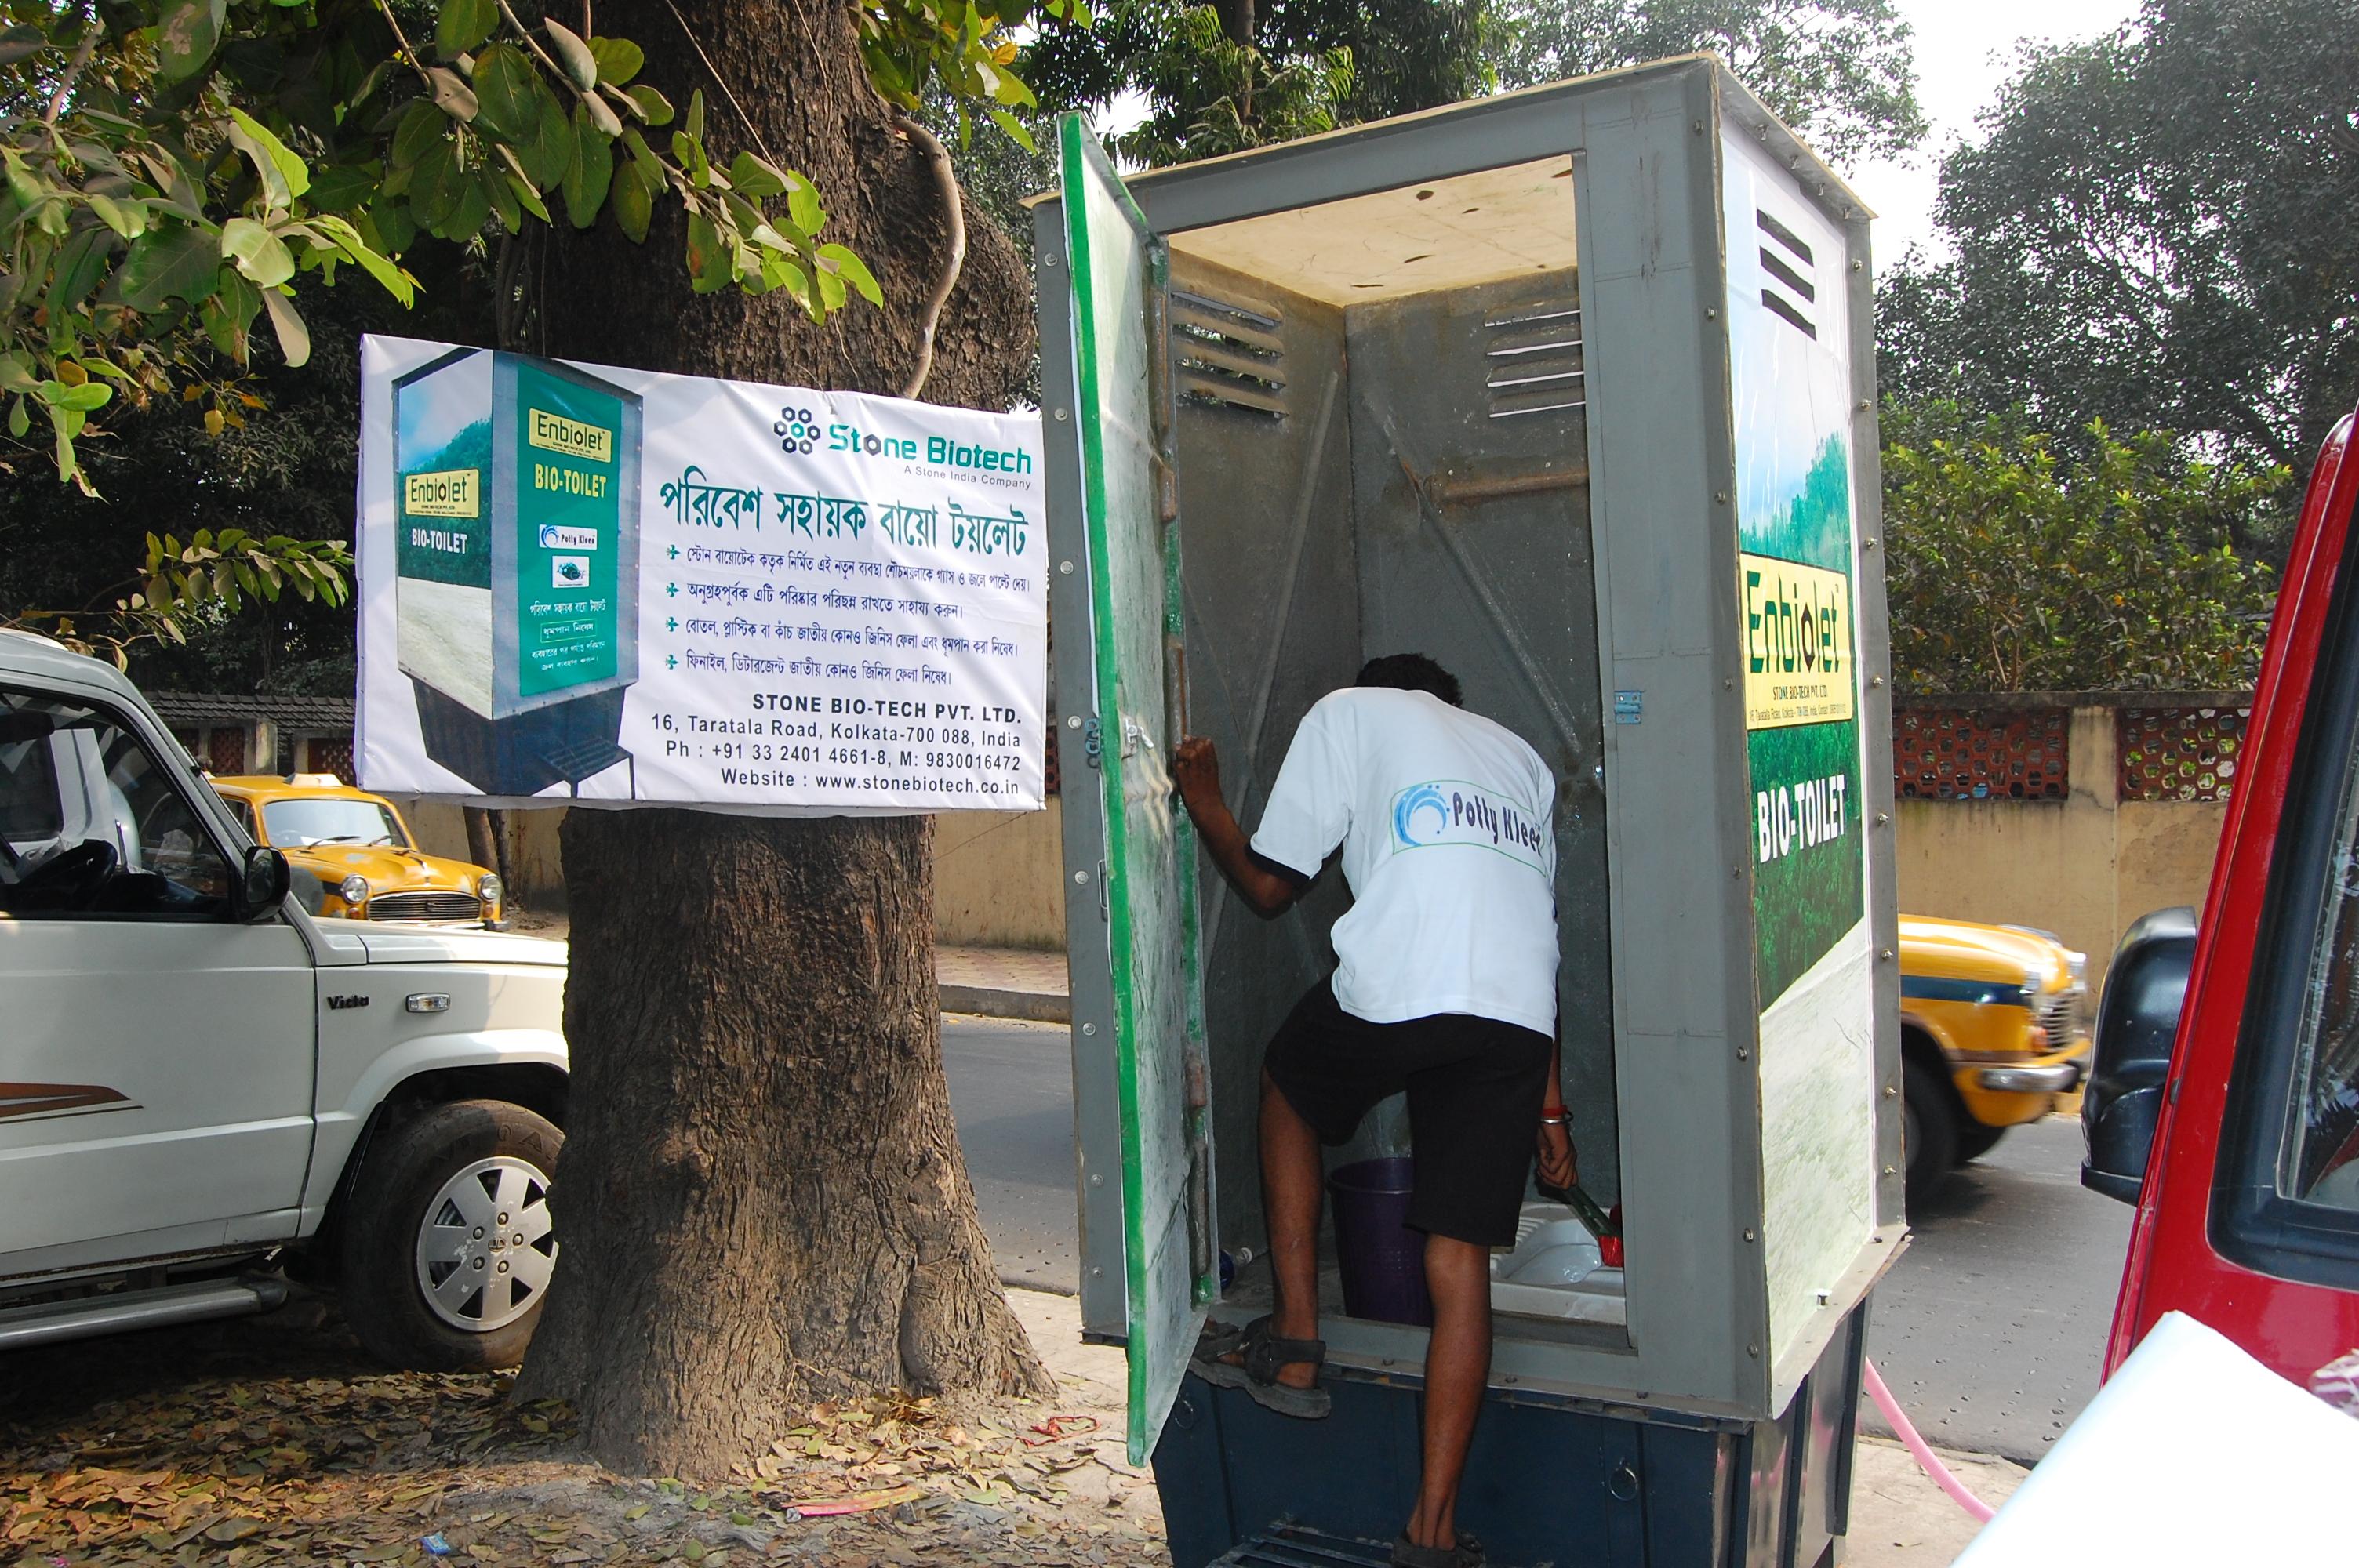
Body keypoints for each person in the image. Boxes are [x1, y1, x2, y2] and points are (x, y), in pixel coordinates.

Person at [1172, 653, 1575, 1568]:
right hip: (1514, 1017)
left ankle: (1299, 1343)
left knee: (1287, 1083)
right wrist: (1552, 1117)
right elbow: (1534, 934)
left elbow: (1273, 887)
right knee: (1457, 1255)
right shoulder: (1517, 759)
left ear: (1383, 686)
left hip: (1405, 983)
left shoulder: (1349, 709)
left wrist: (1206, 802)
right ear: (1450, 703)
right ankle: (1430, 1530)